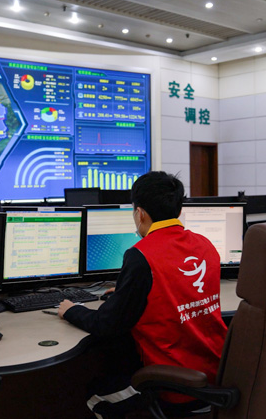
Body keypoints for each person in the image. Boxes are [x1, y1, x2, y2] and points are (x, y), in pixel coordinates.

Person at [57, 171, 227, 418]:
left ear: (140, 213)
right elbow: (183, 289)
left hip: (175, 387)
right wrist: (129, 291)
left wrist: (72, 310)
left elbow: (106, 323)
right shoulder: (205, 244)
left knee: (96, 395)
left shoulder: (141, 255)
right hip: (216, 375)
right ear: (179, 210)